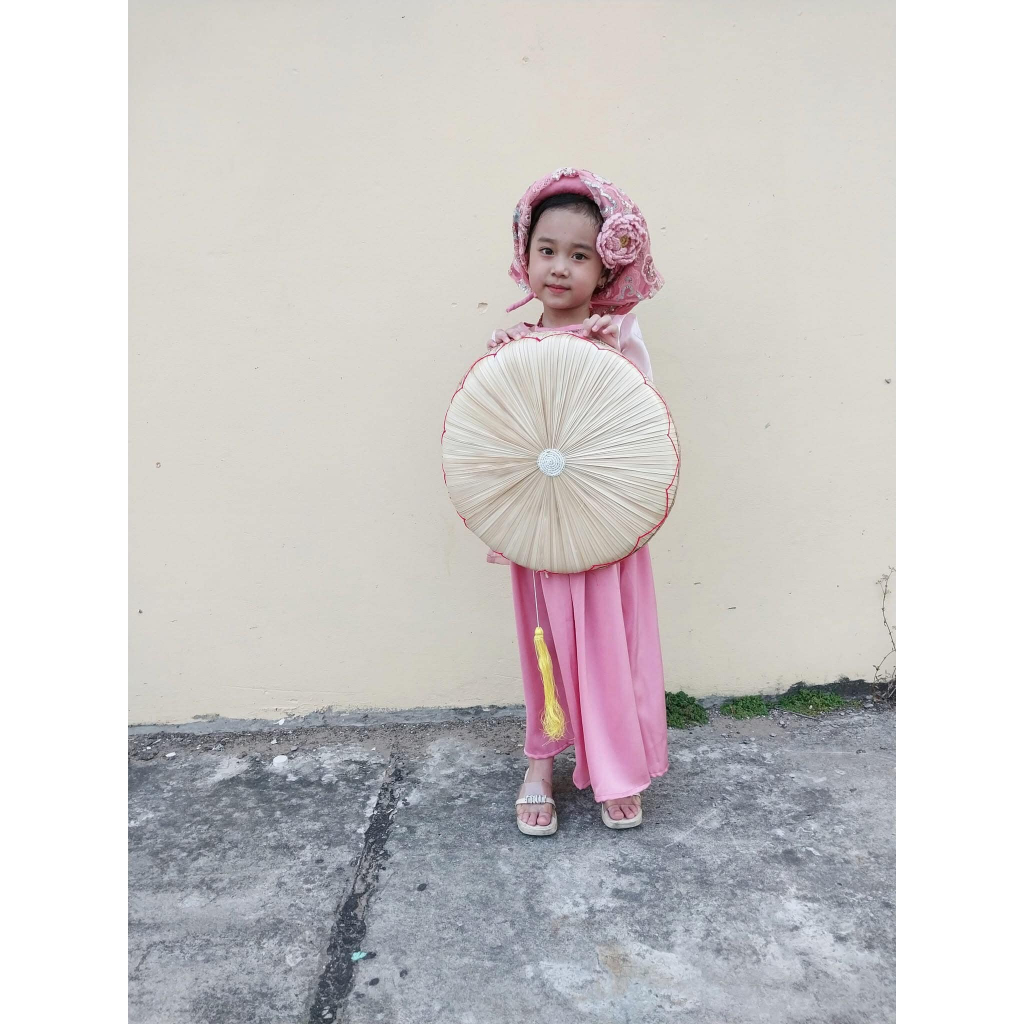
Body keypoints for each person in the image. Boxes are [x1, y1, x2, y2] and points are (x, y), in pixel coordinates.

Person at [485, 167, 670, 835]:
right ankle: (540, 764)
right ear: (525, 255)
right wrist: (501, 370)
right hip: (540, 527)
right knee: (543, 642)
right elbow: (498, 442)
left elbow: (640, 428)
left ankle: (618, 768)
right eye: (547, 250)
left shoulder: (617, 339)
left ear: (606, 269)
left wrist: (607, 357)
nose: (560, 267)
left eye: (580, 255)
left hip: (603, 527)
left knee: (608, 645)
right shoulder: (511, 348)